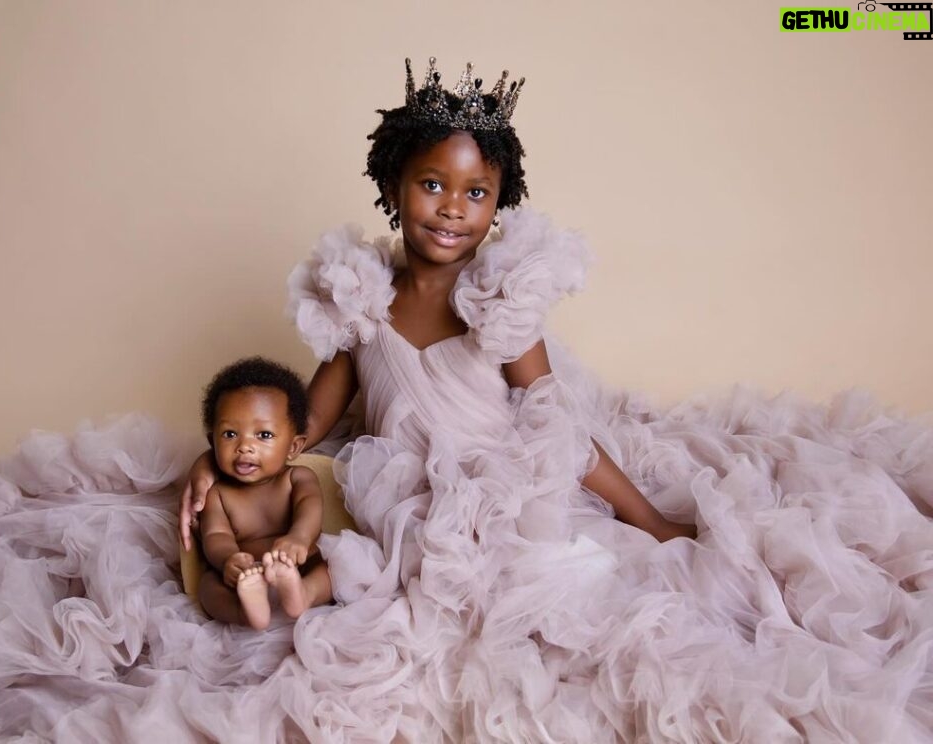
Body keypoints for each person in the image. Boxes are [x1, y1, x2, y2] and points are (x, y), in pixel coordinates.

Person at [179, 58, 694, 551]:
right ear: (392, 188)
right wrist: (218, 464)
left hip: (497, 505)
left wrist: (649, 521)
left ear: (497, 205)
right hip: (400, 513)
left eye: (476, 192)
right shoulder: (361, 301)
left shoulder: (499, 302)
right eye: (432, 184)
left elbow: (557, 429)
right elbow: (303, 425)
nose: (452, 207)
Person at [195, 356, 332, 629]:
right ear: (212, 442)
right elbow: (215, 535)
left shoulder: (298, 479)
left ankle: (304, 594)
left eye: (264, 435)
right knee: (207, 586)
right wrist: (228, 560)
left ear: (294, 447)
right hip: (248, 575)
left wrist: (298, 538)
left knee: (333, 567)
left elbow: (310, 510)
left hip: (296, 564)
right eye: (230, 434)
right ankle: (246, 611)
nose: (245, 446)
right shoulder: (218, 494)